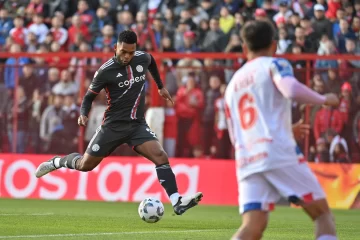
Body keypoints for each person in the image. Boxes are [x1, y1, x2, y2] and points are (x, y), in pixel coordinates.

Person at [35, 30, 203, 215]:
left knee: (160, 156)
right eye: (123, 52)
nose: (127, 56)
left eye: (131, 52)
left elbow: (152, 62)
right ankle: (57, 162)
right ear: (116, 48)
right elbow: (88, 97)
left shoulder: (142, 58)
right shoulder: (105, 71)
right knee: (85, 165)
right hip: (113, 126)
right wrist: (83, 113)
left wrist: (160, 86)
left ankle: (176, 201)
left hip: (137, 125)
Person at [224, 20, 339, 240]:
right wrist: (324, 99)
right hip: (277, 151)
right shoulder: (274, 64)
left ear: (245, 48)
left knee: (252, 226)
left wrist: (284, 129)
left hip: (247, 157)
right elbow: (291, 90)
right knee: (323, 215)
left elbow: (235, 132)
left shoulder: (232, 84)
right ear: (274, 45)